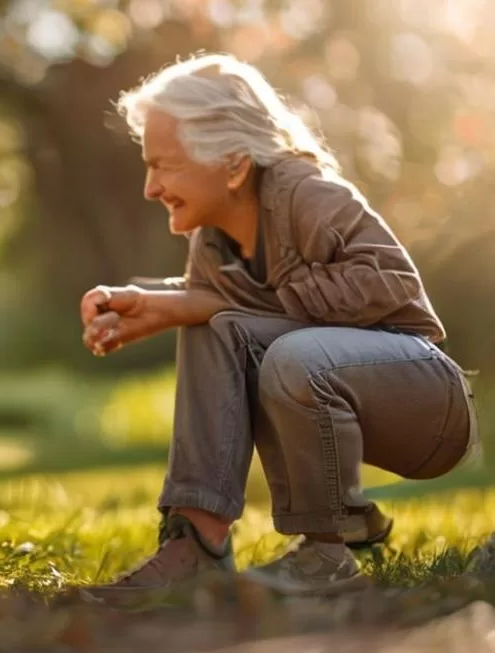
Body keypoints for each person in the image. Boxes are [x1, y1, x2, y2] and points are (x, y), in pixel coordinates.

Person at [79, 53, 479, 597]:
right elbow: (225, 309)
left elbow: (396, 288)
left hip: (425, 404)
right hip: (330, 391)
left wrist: (212, 303)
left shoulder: (311, 196)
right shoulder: (213, 239)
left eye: (164, 164)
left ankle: (327, 552)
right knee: (216, 329)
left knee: (289, 353)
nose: (150, 187)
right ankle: (197, 543)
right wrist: (159, 305)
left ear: (235, 164)